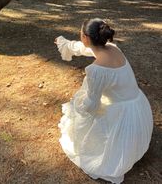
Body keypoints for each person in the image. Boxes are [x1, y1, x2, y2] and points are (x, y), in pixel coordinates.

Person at [55, 18, 153, 184]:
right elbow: (83, 49)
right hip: (137, 106)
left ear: (85, 37)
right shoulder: (114, 48)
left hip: (123, 117)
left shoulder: (96, 70)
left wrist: (77, 108)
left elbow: (91, 105)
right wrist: (64, 43)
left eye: (80, 34)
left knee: (82, 117)